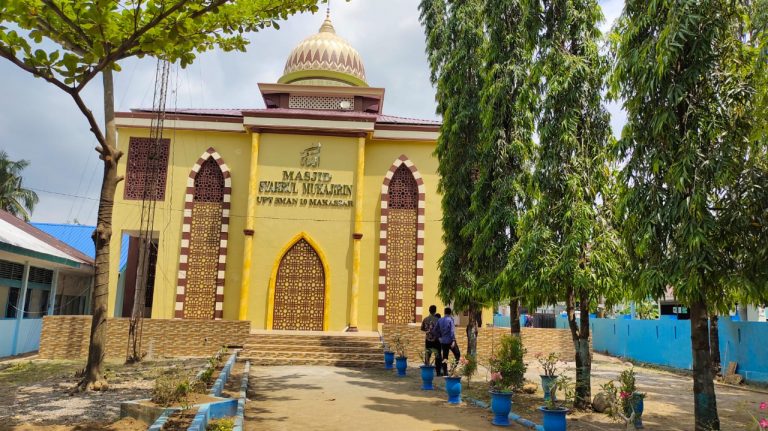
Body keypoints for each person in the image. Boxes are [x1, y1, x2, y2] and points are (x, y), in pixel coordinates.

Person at [437, 307, 461, 376]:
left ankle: (445, 372)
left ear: (444, 312)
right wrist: (453, 340)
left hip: (443, 341)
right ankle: (452, 368)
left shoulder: (439, 320)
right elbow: (452, 331)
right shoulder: (450, 320)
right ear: (450, 313)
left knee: (445, 357)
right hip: (450, 341)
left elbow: (435, 330)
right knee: (457, 354)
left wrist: (439, 337)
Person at [420, 305, 443, 375]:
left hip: (428, 340)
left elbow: (422, 328)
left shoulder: (425, 319)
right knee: (438, 356)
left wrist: (428, 331)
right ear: (435, 311)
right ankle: (438, 372)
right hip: (436, 340)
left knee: (427, 355)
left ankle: (427, 370)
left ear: (429, 310)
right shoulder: (438, 320)